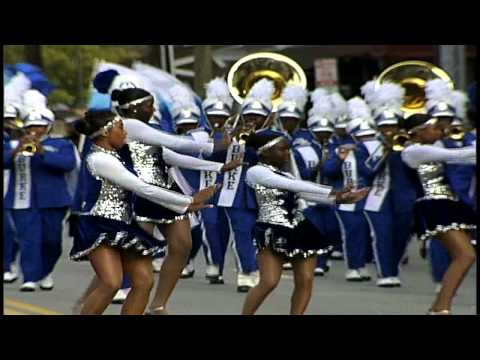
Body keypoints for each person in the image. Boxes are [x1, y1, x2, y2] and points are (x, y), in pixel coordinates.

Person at [69, 110, 217, 315]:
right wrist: (189, 200)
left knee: (144, 282)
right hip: (99, 225)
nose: (125, 133)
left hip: (124, 226)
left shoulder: (119, 155)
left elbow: (153, 186)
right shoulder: (100, 160)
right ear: (105, 133)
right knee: (111, 282)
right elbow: (143, 188)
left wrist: (184, 205)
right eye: (121, 128)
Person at [241, 131, 368, 315]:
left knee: (306, 280)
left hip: (299, 228)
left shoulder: (286, 175)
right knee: (269, 281)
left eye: (288, 150)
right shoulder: (256, 172)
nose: (287, 154)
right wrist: (334, 191)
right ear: (265, 151)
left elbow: (304, 194)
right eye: (282, 149)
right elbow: (295, 186)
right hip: (272, 229)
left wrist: (340, 199)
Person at [401, 113, 476, 315]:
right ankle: (441, 308)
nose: (440, 131)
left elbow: (465, 156)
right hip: (433, 205)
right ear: (418, 132)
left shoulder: (434, 146)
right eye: (434, 128)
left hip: (450, 203)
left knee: (465, 256)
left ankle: (439, 307)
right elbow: (457, 156)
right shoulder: (413, 152)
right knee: (465, 255)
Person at [4, 107, 77, 291]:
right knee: (28, 240)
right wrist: (17, 150)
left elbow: (67, 164)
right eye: (31, 126)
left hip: (53, 200)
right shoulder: (14, 144)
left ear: (48, 127)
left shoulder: (62, 144)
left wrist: (42, 151)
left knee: (52, 242)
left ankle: (45, 272)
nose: (35, 130)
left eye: (40, 126)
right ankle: (29, 277)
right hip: (23, 200)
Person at [323, 98, 375, 282]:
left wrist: (365, 156)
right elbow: (328, 171)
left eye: (368, 136)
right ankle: (353, 267)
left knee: (364, 233)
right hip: (347, 199)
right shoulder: (340, 147)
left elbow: (371, 173)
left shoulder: (370, 151)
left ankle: (361, 265)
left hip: (368, 198)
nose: (364, 140)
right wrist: (340, 156)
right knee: (352, 232)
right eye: (361, 137)